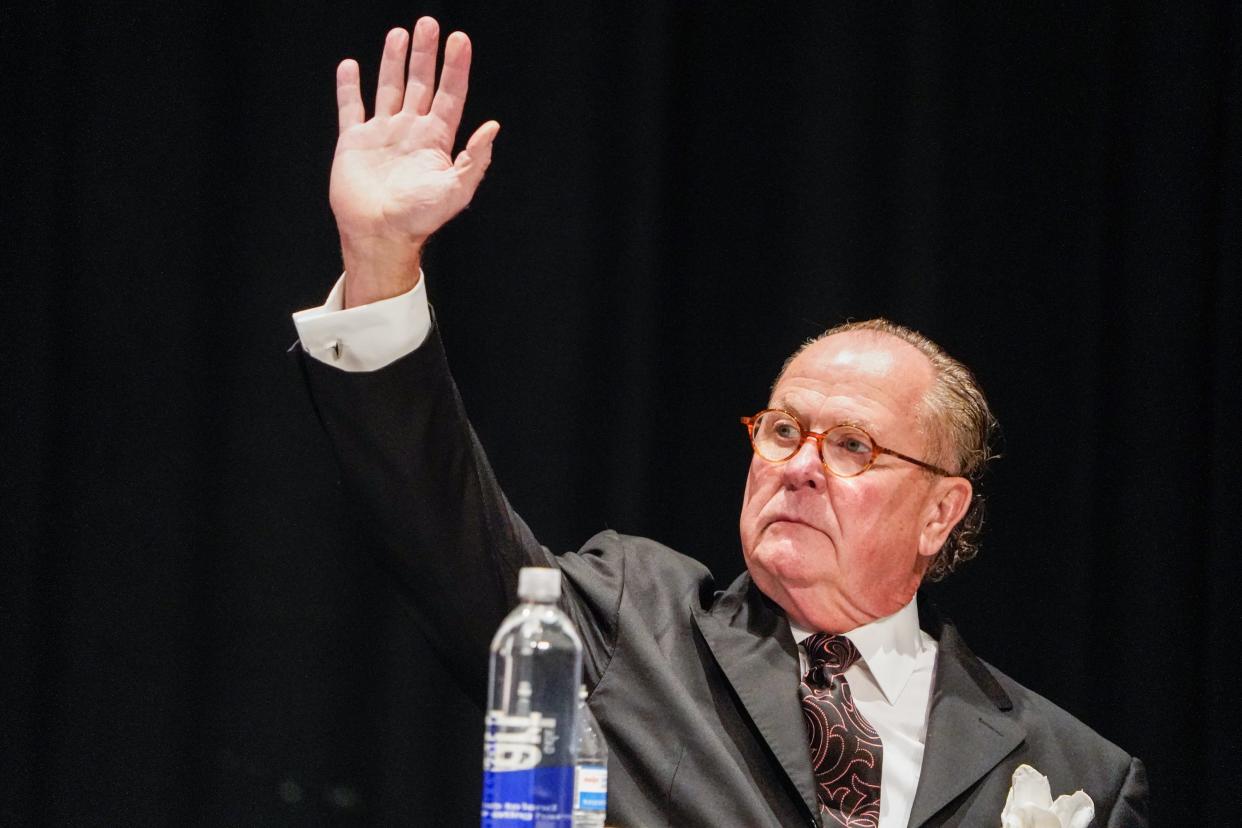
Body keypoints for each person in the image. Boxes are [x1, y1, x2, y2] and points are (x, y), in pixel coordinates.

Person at [292, 18, 1149, 827]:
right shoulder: (631, 626)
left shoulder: (1076, 773)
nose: (800, 465)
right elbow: (436, 524)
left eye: (852, 446)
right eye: (782, 430)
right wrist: (379, 259)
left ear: (941, 511)